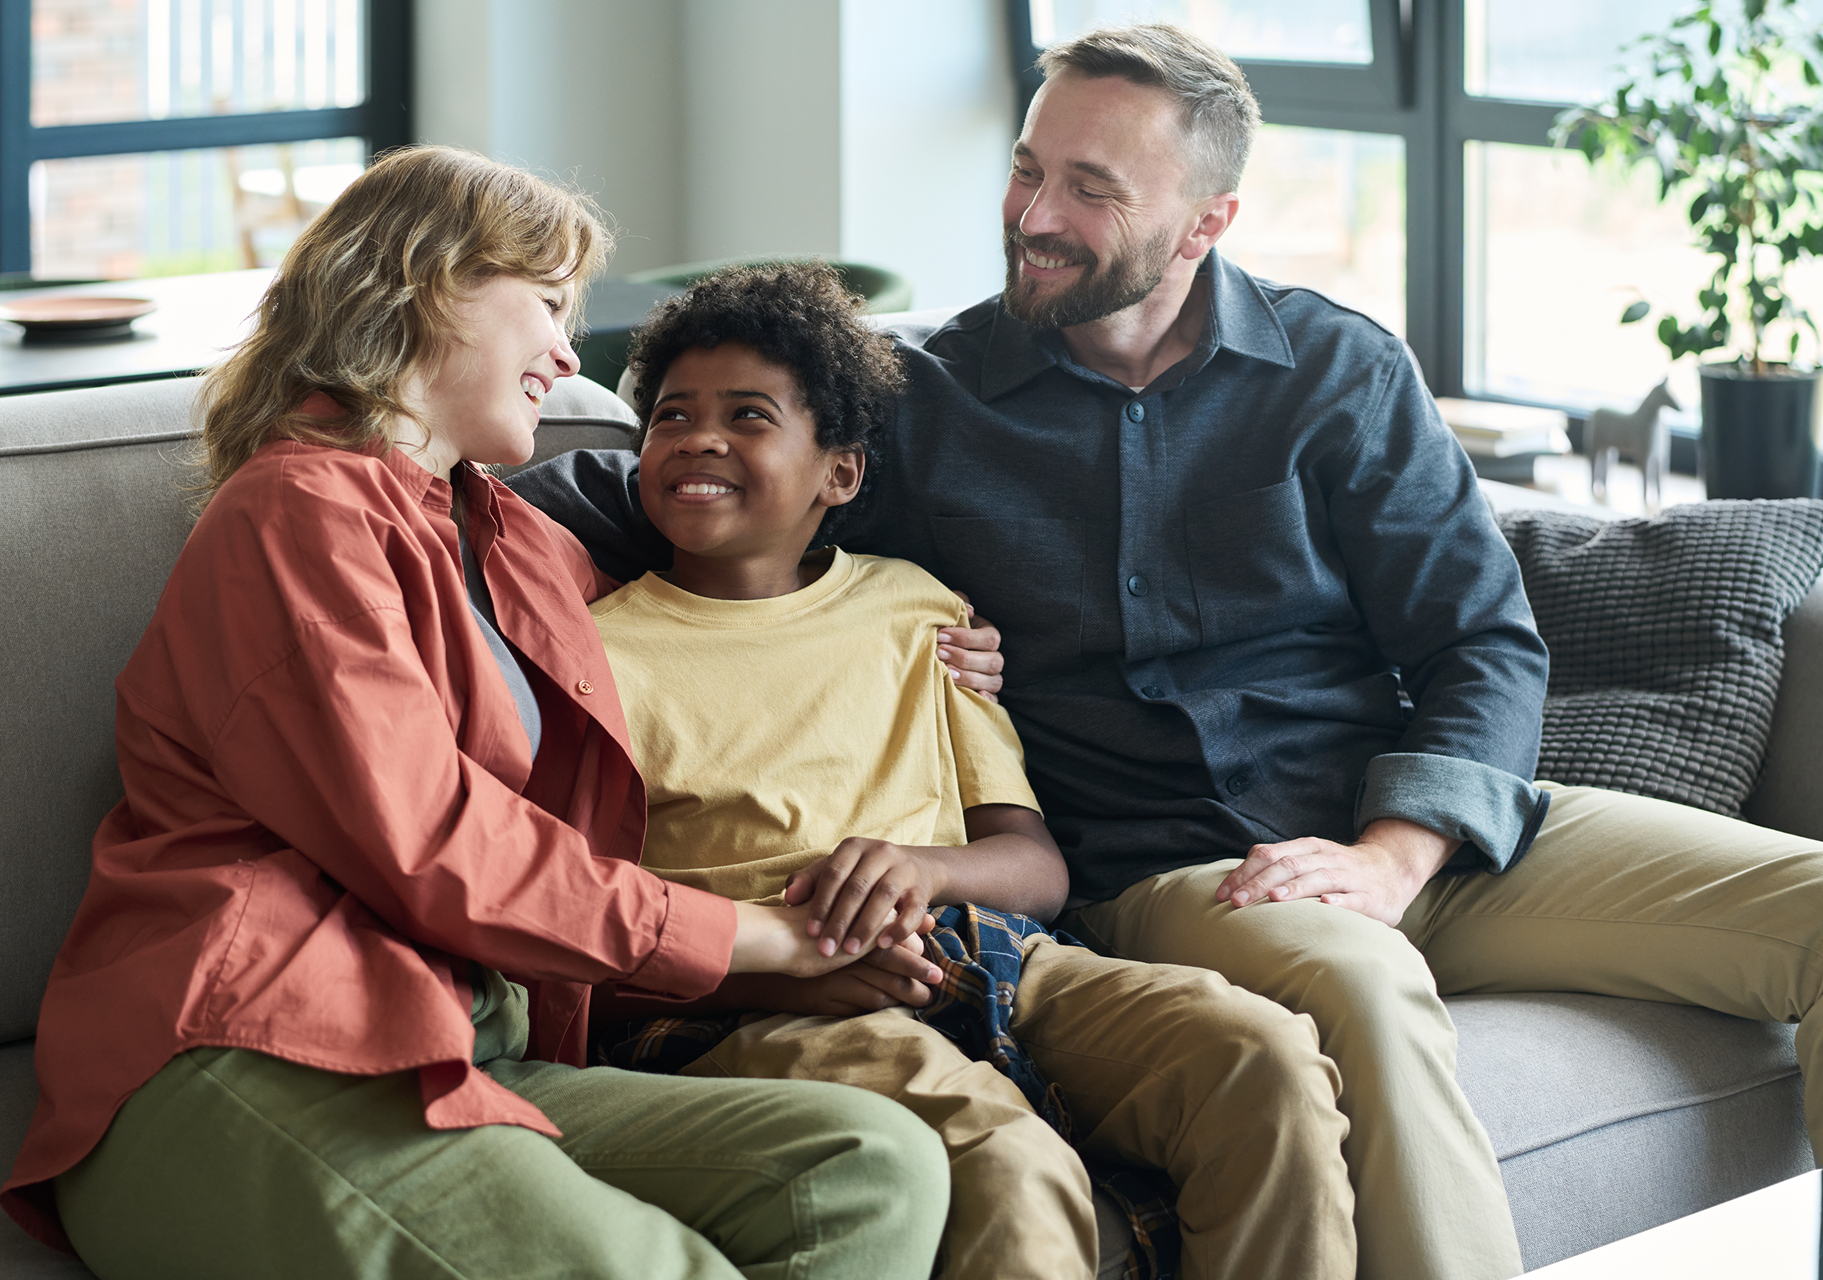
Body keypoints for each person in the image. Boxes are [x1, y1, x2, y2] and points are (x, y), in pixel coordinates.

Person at [511, 22, 1823, 1280]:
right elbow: (709, 512)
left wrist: (1393, 852)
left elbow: (1482, 642)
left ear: (1207, 222)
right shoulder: (928, 409)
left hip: (1410, 838)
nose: (1032, 214)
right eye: (1028, 167)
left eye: (1090, 189)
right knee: (1359, 986)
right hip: (1183, 872)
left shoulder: (1337, 373)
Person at [0, 145, 954, 1280]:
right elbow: (439, 842)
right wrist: (772, 940)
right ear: (426, 279)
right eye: (548, 304)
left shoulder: (520, 540)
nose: (567, 351)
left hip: (463, 1042)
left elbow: (704, 639)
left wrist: (921, 638)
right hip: (246, 1048)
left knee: (869, 1163)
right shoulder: (293, 514)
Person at [553, 261, 1356, 1280]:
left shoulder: (921, 611)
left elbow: (1034, 865)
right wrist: (790, 961)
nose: (699, 439)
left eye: (748, 415)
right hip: (761, 1003)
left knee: (1264, 1056)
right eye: (671, 417)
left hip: (991, 949)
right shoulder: (593, 656)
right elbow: (578, 917)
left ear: (838, 474)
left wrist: (921, 868)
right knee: (1010, 1161)